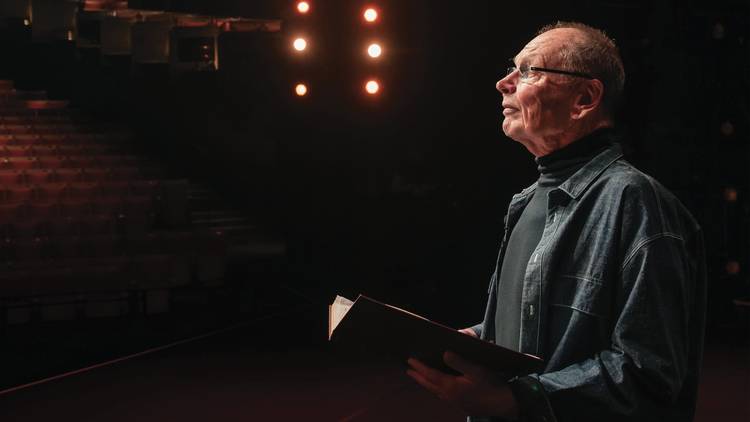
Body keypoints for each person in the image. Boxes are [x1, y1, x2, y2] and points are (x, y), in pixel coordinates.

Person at [406, 22, 706, 422]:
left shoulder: (635, 200)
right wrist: (479, 339)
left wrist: (514, 400)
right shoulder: (526, 203)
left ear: (584, 98)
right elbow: (539, 330)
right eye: (512, 67)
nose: (503, 83)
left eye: (529, 70)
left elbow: (647, 372)